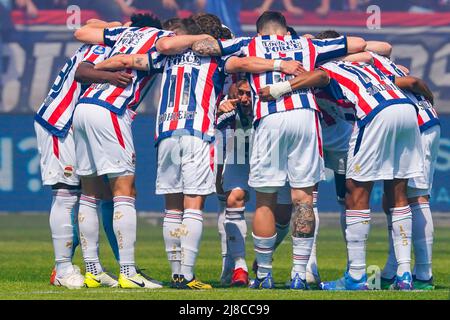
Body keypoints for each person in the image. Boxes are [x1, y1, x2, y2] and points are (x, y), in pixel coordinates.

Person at [260, 36, 433, 291]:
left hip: (376, 113)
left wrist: (280, 89)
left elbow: (320, 77)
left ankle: (356, 276)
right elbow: (380, 52)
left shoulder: (329, 66)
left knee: (355, 192)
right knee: (398, 194)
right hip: (407, 111)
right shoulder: (362, 63)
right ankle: (405, 275)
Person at [72, 13, 207, 289]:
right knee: (125, 190)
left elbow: (84, 33)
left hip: (83, 108)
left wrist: (109, 26)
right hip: (111, 110)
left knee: (89, 192)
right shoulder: (160, 37)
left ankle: (93, 269)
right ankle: (128, 271)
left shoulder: (121, 34)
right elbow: (168, 48)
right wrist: (203, 38)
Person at [34, 19, 133, 289]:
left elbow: (90, 23)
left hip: (76, 124)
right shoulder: (105, 45)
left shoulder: (107, 39)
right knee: (66, 194)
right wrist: (112, 77)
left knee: (93, 194)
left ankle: (103, 266)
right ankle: (63, 268)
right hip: (59, 121)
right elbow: (82, 71)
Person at [368, 51, 440, 291]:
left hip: (418, 127)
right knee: (393, 198)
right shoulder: (388, 66)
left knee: (416, 197)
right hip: (411, 127)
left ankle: (424, 274)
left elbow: (413, 82)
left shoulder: (377, 69)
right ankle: (393, 269)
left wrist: (430, 99)